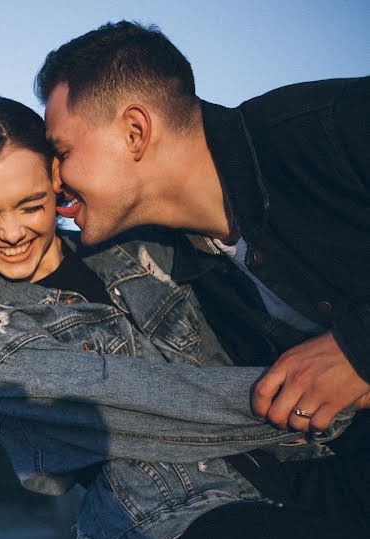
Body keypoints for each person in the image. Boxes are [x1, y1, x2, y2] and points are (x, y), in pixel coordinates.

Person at [0, 96, 369, 539]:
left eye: (30, 204)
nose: (13, 232)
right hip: (181, 520)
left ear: (55, 179)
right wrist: (327, 393)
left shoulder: (130, 243)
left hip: (312, 463)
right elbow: (166, 406)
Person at [37, 21, 370, 432]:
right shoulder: (176, 265)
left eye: (61, 151)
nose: (52, 181)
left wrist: (357, 350)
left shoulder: (332, 127)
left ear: (134, 132)